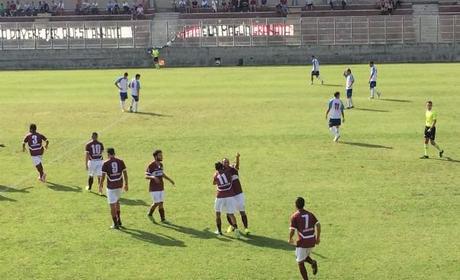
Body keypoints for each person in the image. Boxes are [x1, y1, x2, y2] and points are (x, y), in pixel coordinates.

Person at [289, 197, 321, 280]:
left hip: (303, 242)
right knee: (303, 255)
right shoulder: (310, 214)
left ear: (295, 205)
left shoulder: (295, 216)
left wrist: (290, 238)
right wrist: (317, 238)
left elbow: (292, 230)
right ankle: (313, 262)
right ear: (304, 204)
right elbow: (318, 224)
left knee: (300, 262)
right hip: (312, 240)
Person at [99, 148, 128, 229]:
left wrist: (100, 185)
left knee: (112, 205)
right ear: (114, 153)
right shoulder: (121, 161)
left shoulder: (106, 163)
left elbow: (103, 176)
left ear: (108, 154)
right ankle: (119, 220)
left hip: (111, 187)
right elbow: (125, 173)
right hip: (119, 185)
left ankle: (115, 223)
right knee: (117, 202)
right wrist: (126, 184)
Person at [223, 153, 250, 235]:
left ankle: (246, 229)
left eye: (227, 162)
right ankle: (233, 226)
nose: (226, 163)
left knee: (242, 211)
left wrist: (237, 158)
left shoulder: (233, 168)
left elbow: (237, 166)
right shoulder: (222, 172)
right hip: (230, 195)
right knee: (229, 212)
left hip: (239, 194)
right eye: (224, 162)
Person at [146, 149, 176, 223]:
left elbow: (162, 174)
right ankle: (150, 213)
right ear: (156, 156)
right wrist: (153, 177)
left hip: (161, 187)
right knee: (157, 203)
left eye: (162, 155)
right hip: (154, 188)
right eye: (160, 155)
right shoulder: (151, 165)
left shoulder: (161, 165)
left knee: (161, 202)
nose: (162, 156)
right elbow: (146, 175)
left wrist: (170, 180)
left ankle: (163, 219)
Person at [213, 161, 240, 237]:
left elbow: (214, 183)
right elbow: (231, 179)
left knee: (218, 214)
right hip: (229, 196)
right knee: (231, 214)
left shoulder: (216, 175)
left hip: (220, 196)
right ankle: (236, 230)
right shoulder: (228, 173)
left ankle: (219, 231)